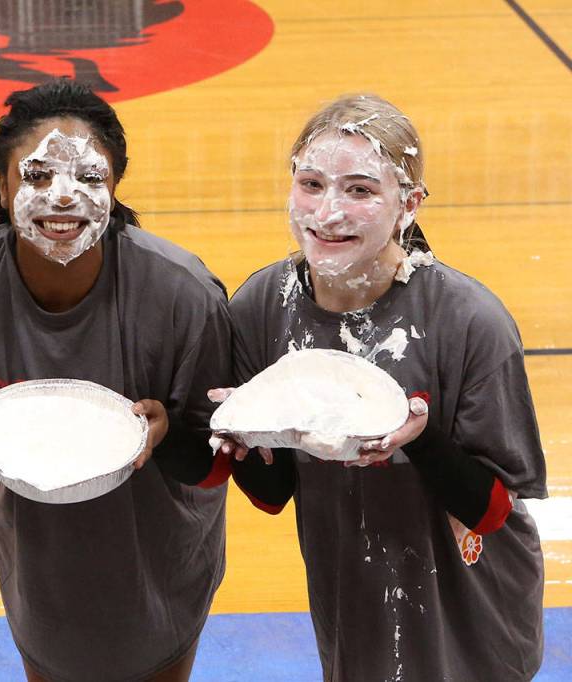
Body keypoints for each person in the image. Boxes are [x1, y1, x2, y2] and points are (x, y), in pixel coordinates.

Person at [213, 94, 547, 681]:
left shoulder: (471, 321)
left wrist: (420, 440)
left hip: (471, 604)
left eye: (361, 190)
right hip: (355, 593)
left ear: (408, 205)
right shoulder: (262, 307)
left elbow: (493, 511)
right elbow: (271, 494)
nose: (329, 211)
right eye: (311, 184)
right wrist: (240, 437)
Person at [0, 79, 232, 681]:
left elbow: (216, 464)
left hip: (160, 565)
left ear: (114, 186)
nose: (63, 198)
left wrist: (167, 435)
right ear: (3, 186)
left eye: (88, 177)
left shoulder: (184, 293)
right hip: (42, 571)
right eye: (37, 177)